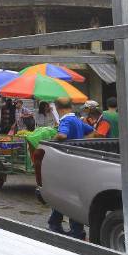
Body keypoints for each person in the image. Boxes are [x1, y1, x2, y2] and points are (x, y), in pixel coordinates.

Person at [49, 97, 94, 238]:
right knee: (69, 194)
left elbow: (62, 135)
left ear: (58, 108)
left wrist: (52, 141)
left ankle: (74, 230)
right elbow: (93, 131)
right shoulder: (76, 120)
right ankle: (58, 224)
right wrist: (81, 144)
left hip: (66, 163)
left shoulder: (66, 120)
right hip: (77, 162)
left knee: (66, 195)